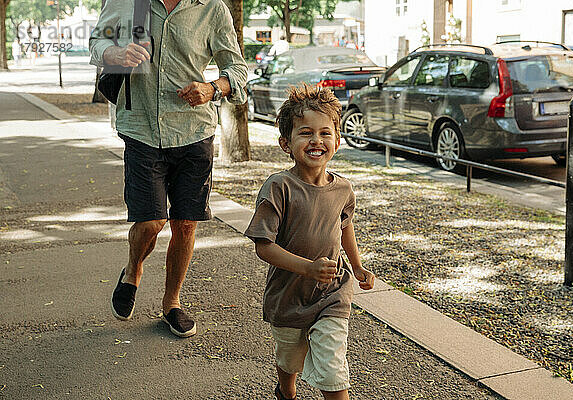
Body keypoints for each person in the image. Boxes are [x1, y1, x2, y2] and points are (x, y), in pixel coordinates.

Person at [89, 0, 248, 338]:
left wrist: (211, 88)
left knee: (186, 224)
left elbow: (236, 68)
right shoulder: (127, 3)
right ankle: (133, 270)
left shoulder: (212, 8)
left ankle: (171, 303)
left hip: (193, 132)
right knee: (150, 221)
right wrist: (114, 55)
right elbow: (97, 42)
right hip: (141, 128)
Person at [244, 84, 375, 400]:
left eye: (325, 133)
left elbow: (344, 227)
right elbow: (264, 246)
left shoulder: (343, 189)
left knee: (333, 367)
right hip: (288, 294)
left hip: (332, 292)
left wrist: (356, 267)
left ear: (337, 141)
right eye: (306, 133)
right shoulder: (279, 187)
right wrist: (308, 268)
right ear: (286, 143)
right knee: (290, 355)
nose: (316, 140)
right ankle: (286, 391)